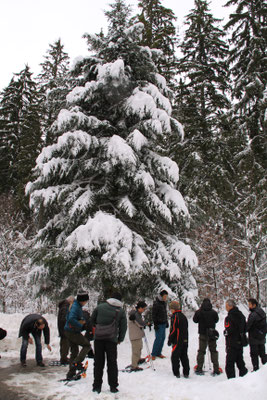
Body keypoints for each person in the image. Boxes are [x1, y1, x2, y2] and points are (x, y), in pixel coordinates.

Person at [91, 291, 127, 394]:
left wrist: (98, 328)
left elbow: (92, 320)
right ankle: (113, 386)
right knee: (112, 363)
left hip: (98, 339)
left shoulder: (100, 307)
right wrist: (120, 339)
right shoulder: (120, 311)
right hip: (111, 340)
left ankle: (97, 386)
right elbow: (123, 326)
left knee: (98, 362)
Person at [64, 291, 91, 380]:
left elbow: (70, 318)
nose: (86, 303)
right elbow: (71, 319)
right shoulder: (76, 307)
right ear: (82, 300)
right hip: (72, 332)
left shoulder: (76, 305)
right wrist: (81, 325)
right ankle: (76, 363)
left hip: (69, 330)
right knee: (87, 345)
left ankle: (71, 373)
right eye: (86, 301)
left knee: (74, 351)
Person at [193, 298, 221, 375]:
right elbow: (216, 320)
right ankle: (216, 369)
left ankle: (199, 368)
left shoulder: (199, 312)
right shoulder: (214, 312)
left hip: (202, 334)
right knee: (213, 351)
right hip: (212, 334)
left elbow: (195, 320)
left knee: (201, 351)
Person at [224, 299, 248, 379]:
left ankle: (232, 381)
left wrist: (225, 332)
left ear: (230, 306)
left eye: (226, 306)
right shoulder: (241, 315)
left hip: (232, 342)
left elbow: (229, 330)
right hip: (240, 341)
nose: (226, 307)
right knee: (240, 362)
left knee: (229, 365)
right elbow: (245, 327)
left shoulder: (229, 317)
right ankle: (244, 378)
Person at [168, 301, 190, 378]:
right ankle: (186, 372)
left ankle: (176, 373)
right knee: (184, 356)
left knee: (175, 357)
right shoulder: (183, 316)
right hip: (185, 339)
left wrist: (170, 339)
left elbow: (173, 329)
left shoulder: (175, 317)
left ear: (173, 309)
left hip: (177, 340)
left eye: (171, 308)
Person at [246, 298, 266, 371]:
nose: (249, 306)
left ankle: (256, 369)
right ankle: (265, 367)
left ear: (254, 305)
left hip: (254, 337)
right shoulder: (262, 312)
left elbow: (248, 325)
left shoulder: (253, 315)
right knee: (262, 354)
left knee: (254, 354)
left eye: (249, 304)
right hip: (262, 336)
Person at [128, 301, 147, 372]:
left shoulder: (137, 314)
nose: (144, 310)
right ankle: (134, 365)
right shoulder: (135, 315)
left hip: (137, 335)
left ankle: (138, 359)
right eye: (143, 309)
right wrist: (146, 323)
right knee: (136, 350)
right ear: (140, 308)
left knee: (139, 347)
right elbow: (140, 323)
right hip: (135, 335)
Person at [151, 290, 168, 360]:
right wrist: (155, 324)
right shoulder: (156, 303)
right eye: (164, 296)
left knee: (163, 338)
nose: (165, 298)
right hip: (158, 324)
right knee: (158, 338)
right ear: (161, 296)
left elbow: (165, 313)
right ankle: (154, 353)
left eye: (166, 296)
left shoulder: (164, 303)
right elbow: (153, 315)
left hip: (163, 323)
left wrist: (166, 321)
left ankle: (159, 352)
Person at [57, 295, 74, 364]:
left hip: (62, 328)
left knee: (63, 343)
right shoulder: (65, 307)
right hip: (65, 329)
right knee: (65, 344)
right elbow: (64, 318)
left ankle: (63, 357)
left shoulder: (63, 306)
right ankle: (64, 358)